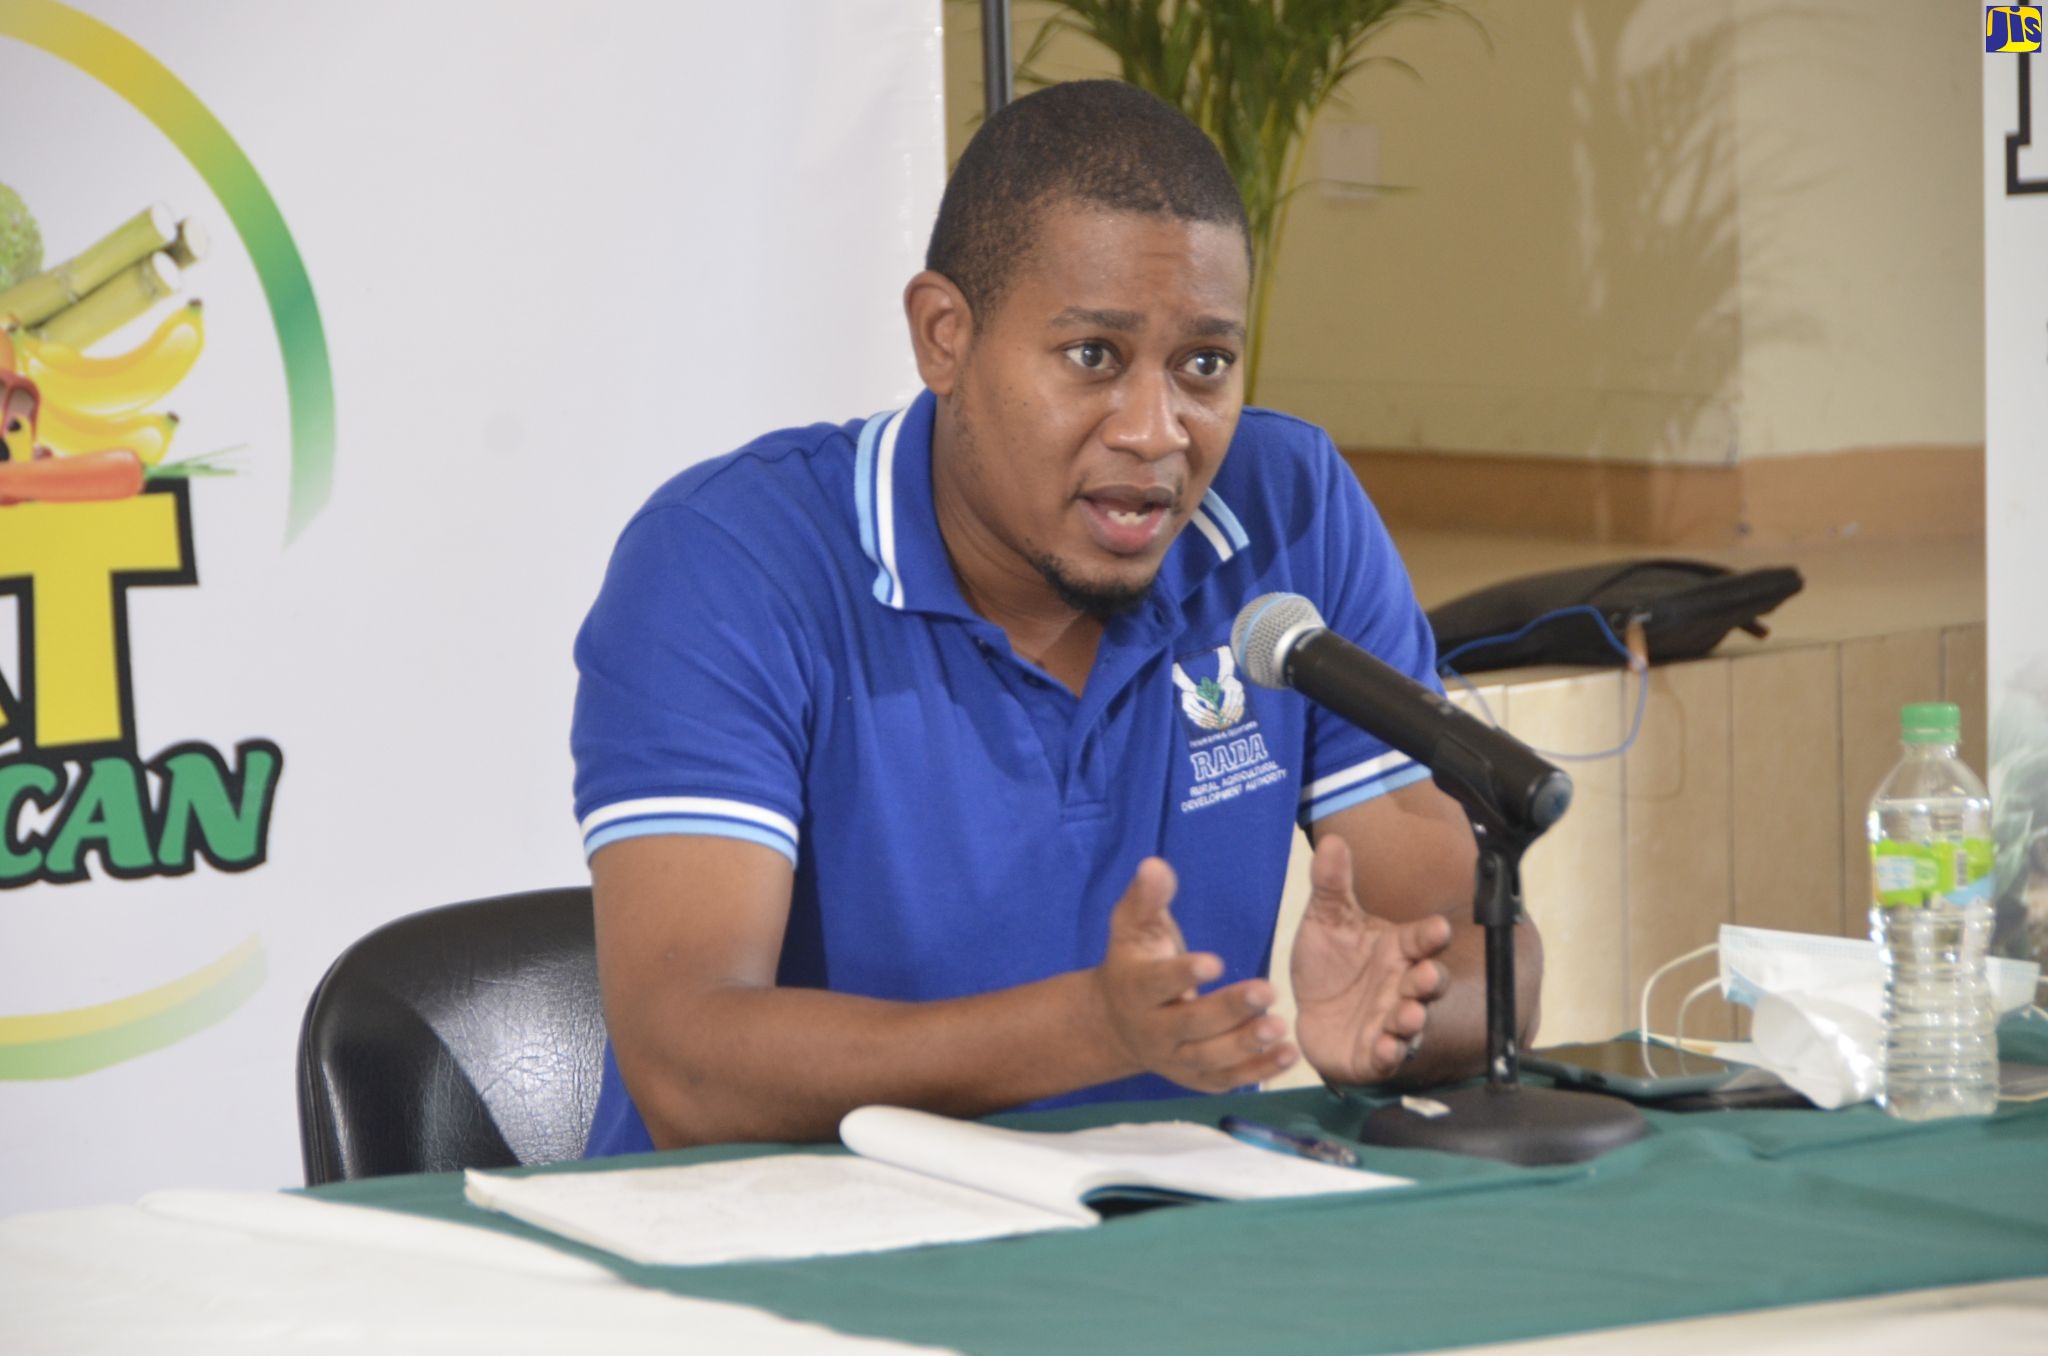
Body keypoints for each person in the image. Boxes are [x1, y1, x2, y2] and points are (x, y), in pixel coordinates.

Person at [571, 79, 1540, 1157]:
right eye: (1093, 357)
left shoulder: (1288, 513)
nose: (1155, 431)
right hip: (778, 1239)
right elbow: (689, 1066)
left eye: (1204, 364)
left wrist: (1402, 1020)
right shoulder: (728, 560)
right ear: (944, 337)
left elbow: (1472, 955)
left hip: (1170, 1222)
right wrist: (1088, 1031)